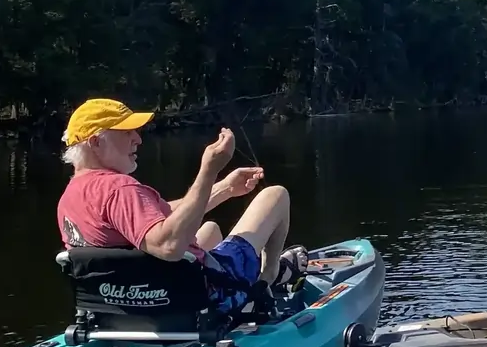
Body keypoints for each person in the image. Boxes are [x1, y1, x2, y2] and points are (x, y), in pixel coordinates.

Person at [57, 98, 307, 308]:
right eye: (126, 132)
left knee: (209, 230)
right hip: (199, 297)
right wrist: (208, 171)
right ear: (95, 142)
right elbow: (168, 246)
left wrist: (224, 188)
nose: (138, 139)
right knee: (275, 195)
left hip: (128, 302)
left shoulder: (72, 196)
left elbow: (156, 218)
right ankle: (267, 281)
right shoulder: (119, 189)